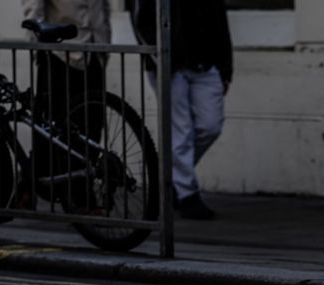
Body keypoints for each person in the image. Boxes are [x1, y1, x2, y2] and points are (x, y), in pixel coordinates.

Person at [133, 0, 233, 220]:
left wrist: (225, 68)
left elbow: (219, 21)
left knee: (210, 126)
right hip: (171, 64)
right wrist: (159, 57)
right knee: (181, 131)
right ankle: (187, 194)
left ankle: (172, 180)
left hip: (206, 64)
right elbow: (142, 21)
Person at [22, 0, 112, 205]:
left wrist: (105, 45)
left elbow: (103, 8)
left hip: (94, 54)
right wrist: (38, 49)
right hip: (59, 54)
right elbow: (34, 7)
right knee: (50, 128)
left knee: (92, 127)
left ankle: (79, 193)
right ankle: (37, 185)